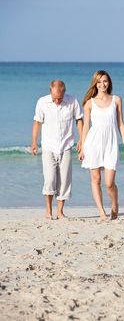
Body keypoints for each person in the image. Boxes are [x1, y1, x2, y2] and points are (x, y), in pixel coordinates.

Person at [80, 70, 124, 220]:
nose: (102, 84)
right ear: (95, 83)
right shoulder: (89, 103)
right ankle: (101, 212)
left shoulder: (116, 100)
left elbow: (120, 123)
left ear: (109, 83)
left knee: (109, 183)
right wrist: (82, 147)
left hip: (111, 143)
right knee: (95, 179)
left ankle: (115, 205)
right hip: (93, 143)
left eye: (105, 81)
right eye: (99, 82)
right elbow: (86, 126)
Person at [31, 80, 83, 220]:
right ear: (50, 90)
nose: (57, 100)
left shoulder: (72, 101)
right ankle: (48, 211)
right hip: (48, 146)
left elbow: (79, 120)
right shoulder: (42, 102)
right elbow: (37, 122)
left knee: (65, 180)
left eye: (60, 98)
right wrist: (34, 142)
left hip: (66, 145)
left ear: (64, 92)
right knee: (49, 179)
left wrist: (82, 139)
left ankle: (60, 212)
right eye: (55, 98)